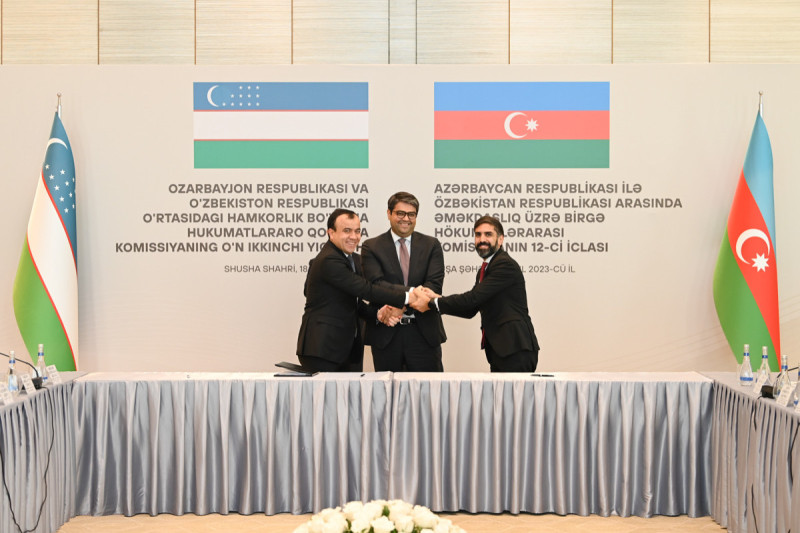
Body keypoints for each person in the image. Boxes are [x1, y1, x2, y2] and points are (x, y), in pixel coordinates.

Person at [296, 208, 422, 373]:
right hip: (322, 349)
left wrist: (378, 314)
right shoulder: (329, 260)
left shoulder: (353, 259)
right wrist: (408, 297)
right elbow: (366, 290)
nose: (354, 237)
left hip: (347, 349)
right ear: (331, 233)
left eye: (357, 231)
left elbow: (351, 301)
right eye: (347, 231)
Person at [411, 215, 539, 372]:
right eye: (478, 235)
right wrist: (435, 298)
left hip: (515, 348)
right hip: (501, 350)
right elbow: (470, 309)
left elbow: (472, 299)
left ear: (500, 239)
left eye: (488, 234)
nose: (482, 239)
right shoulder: (485, 269)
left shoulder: (504, 264)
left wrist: (432, 303)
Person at [360, 192, 447, 371]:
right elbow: (376, 285)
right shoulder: (371, 246)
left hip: (424, 334)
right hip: (387, 334)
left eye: (411, 214)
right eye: (400, 213)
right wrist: (409, 297)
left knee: (428, 389)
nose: (406, 219)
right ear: (389, 213)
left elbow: (434, 285)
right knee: (387, 389)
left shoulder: (431, 245)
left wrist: (402, 305)